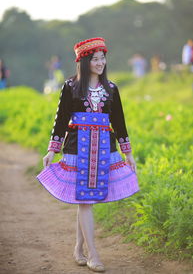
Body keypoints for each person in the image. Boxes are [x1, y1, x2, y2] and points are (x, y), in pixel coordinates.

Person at [37, 37, 139, 272]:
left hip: (104, 149)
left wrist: (128, 153)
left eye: (103, 58)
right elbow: (61, 120)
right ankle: (93, 254)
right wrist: (52, 150)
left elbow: (119, 122)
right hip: (77, 148)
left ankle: (78, 248)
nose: (100, 63)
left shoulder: (111, 88)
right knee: (85, 200)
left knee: (86, 201)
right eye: (95, 59)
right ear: (84, 61)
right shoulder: (71, 86)